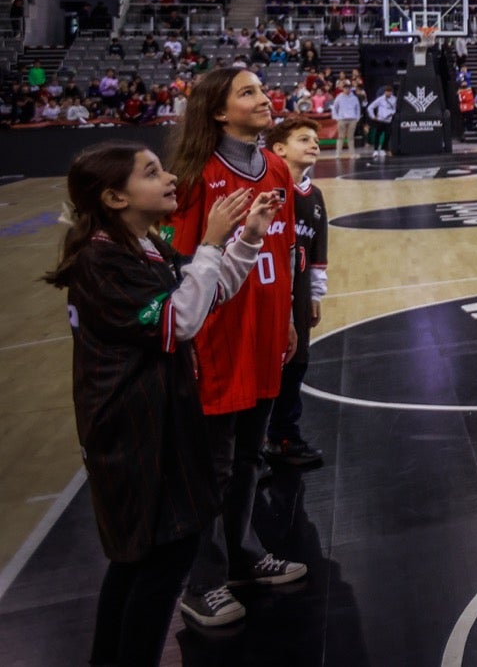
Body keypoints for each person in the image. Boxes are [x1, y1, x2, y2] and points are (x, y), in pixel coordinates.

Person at [48, 144, 276, 667]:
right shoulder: (101, 260)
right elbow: (180, 321)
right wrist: (213, 242)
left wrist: (247, 238)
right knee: (159, 560)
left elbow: (205, 296)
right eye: (152, 172)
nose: (171, 177)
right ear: (114, 196)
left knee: (137, 563)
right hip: (133, 434)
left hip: (153, 426)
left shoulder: (140, 245)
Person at [165, 68, 306, 627]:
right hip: (218, 335)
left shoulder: (275, 166)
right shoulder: (197, 175)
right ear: (219, 112)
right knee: (213, 466)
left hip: (267, 329)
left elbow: (287, 244)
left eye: (261, 88)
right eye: (247, 92)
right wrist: (190, 340)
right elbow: (181, 266)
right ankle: (201, 584)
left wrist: (290, 320)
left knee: (251, 455)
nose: (262, 96)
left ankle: (244, 554)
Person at [264, 118, 329, 466]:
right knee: (263, 369)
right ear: (278, 149)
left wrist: (316, 294)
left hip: (299, 295)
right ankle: (250, 446)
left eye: (316, 140)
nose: (314, 144)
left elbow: (318, 252)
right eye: (304, 139)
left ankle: (283, 438)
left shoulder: (314, 196)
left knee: (296, 365)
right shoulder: (261, 190)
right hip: (263, 295)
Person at [366, 85, 396, 158]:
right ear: (384, 92)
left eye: (389, 92)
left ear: (391, 92)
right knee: (378, 135)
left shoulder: (395, 99)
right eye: (387, 92)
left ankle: (383, 148)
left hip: (388, 120)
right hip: (380, 120)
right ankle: (376, 150)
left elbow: (396, 109)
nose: (388, 93)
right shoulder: (380, 99)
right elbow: (370, 107)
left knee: (387, 135)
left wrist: (392, 113)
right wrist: (373, 116)